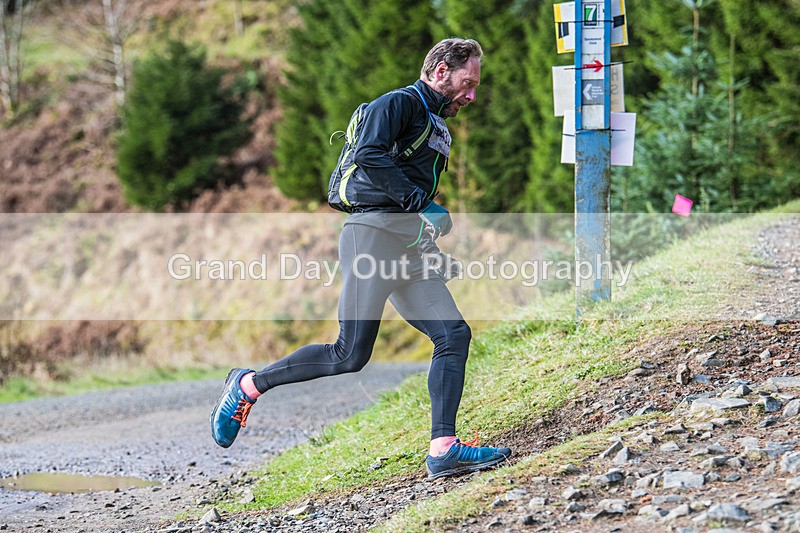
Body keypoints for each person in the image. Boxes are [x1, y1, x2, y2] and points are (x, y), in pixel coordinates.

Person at [210, 38, 511, 480]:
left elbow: (412, 191)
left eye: (475, 87)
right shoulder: (398, 103)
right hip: (370, 238)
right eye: (468, 83)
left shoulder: (435, 125)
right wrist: (419, 204)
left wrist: (428, 243)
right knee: (349, 354)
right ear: (442, 71)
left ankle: (443, 448)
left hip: (406, 248)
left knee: (454, 334)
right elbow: (370, 156)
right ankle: (248, 385)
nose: (472, 96)